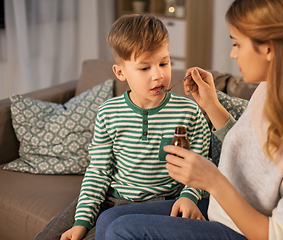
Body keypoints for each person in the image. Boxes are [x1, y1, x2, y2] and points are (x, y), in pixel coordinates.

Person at [94, 0, 283, 239]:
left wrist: (212, 182)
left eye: (237, 43)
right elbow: (253, 153)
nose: (233, 54)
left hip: (245, 229)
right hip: (221, 210)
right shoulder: (271, 88)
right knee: (107, 220)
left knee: (121, 230)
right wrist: (212, 105)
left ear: (268, 47)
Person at [35, 14, 211, 240]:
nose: (158, 75)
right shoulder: (108, 112)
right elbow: (98, 172)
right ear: (120, 72)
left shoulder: (189, 112)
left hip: (159, 205)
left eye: (164, 63)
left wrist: (189, 196)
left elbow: (202, 165)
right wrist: (82, 221)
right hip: (110, 197)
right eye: (144, 68)